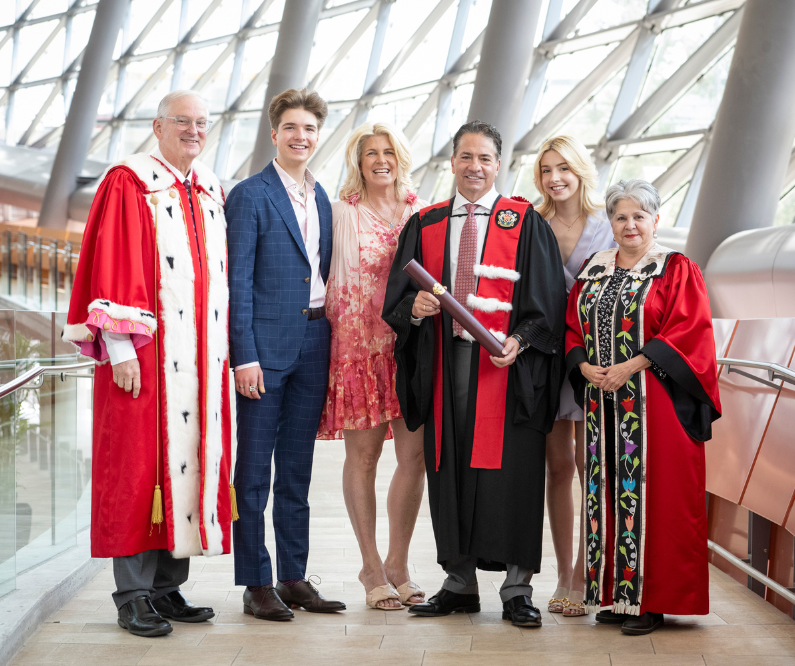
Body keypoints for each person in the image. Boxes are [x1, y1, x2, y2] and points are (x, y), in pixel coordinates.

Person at [383, 120, 565, 628]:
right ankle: (459, 583)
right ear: (452, 162)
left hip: (507, 371)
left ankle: (516, 587)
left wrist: (521, 340)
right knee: (452, 471)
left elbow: (548, 302)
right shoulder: (426, 223)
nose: (475, 167)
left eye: (484, 158)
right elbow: (396, 304)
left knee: (512, 474)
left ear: (498, 164)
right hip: (444, 366)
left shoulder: (525, 224)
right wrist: (416, 308)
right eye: (466, 157)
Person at [63, 90, 230, 637]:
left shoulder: (207, 186)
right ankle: (132, 594)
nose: (194, 130)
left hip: (200, 359)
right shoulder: (130, 181)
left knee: (185, 461)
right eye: (182, 121)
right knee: (137, 468)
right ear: (157, 126)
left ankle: (166, 588)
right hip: (147, 354)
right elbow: (114, 263)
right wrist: (120, 349)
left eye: (202, 122)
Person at [565, 179, 721, 636]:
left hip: (658, 406)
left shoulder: (675, 269)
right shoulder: (594, 269)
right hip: (602, 406)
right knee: (607, 494)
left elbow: (689, 331)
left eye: (639, 216)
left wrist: (633, 365)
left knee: (657, 496)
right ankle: (619, 595)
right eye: (620, 216)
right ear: (609, 222)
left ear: (655, 218)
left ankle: (653, 600)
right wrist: (585, 365)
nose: (630, 225)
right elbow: (574, 328)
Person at [226, 88, 346, 621]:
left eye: (311, 129)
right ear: (274, 133)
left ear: (319, 137)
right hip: (264, 352)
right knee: (253, 472)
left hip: (315, 342)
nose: (301, 137)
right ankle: (256, 583)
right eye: (292, 127)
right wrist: (243, 355)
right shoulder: (250, 195)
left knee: (297, 470)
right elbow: (239, 284)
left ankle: (293, 577)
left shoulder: (322, 196)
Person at [318, 122, 428, 610]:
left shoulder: (421, 215)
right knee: (363, 459)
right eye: (370, 154)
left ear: (400, 158)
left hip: (408, 352)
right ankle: (370, 567)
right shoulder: (342, 213)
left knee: (415, 459)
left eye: (388, 152)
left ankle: (398, 563)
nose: (380, 160)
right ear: (358, 163)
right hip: (359, 353)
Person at [533, 136, 616, 618]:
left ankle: (586, 572)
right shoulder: (534, 226)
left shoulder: (609, 224)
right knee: (558, 468)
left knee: (592, 471)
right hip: (548, 360)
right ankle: (563, 572)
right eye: (546, 170)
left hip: (593, 362)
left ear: (581, 170)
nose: (555, 177)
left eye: (563, 167)